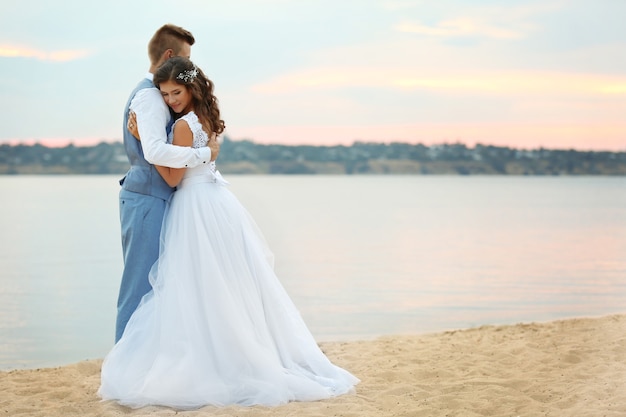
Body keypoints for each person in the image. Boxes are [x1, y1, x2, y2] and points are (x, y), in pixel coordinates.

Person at [98, 57, 359, 409]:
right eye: (164, 94)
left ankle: (211, 355)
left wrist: (144, 137)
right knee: (224, 284)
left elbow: (172, 178)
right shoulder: (206, 119)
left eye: (176, 91)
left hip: (194, 206)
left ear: (191, 87)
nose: (171, 100)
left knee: (196, 285)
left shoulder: (181, 128)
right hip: (218, 202)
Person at [116, 24, 220, 342]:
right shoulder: (149, 97)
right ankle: (125, 369)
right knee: (139, 288)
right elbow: (155, 151)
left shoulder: (159, 96)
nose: (190, 68)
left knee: (158, 286)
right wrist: (204, 154)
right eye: (186, 58)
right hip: (147, 196)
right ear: (170, 56)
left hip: (158, 195)